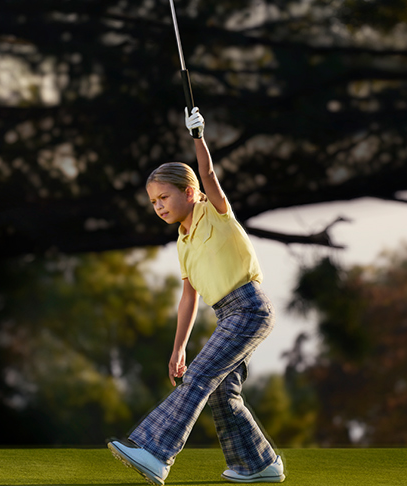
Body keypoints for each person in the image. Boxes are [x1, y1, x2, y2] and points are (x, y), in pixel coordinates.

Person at [107, 107, 285, 485]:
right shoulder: (182, 241)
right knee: (221, 392)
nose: (158, 207)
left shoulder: (215, 212)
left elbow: (209, 174)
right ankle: (258, 464)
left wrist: (198, 137)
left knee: (201, 378)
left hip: (250, 308)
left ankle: (156, 453)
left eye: (164, 197)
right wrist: (178, 349)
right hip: (229, 315)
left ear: (189, 193)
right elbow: (188, 298)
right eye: (153, 202)